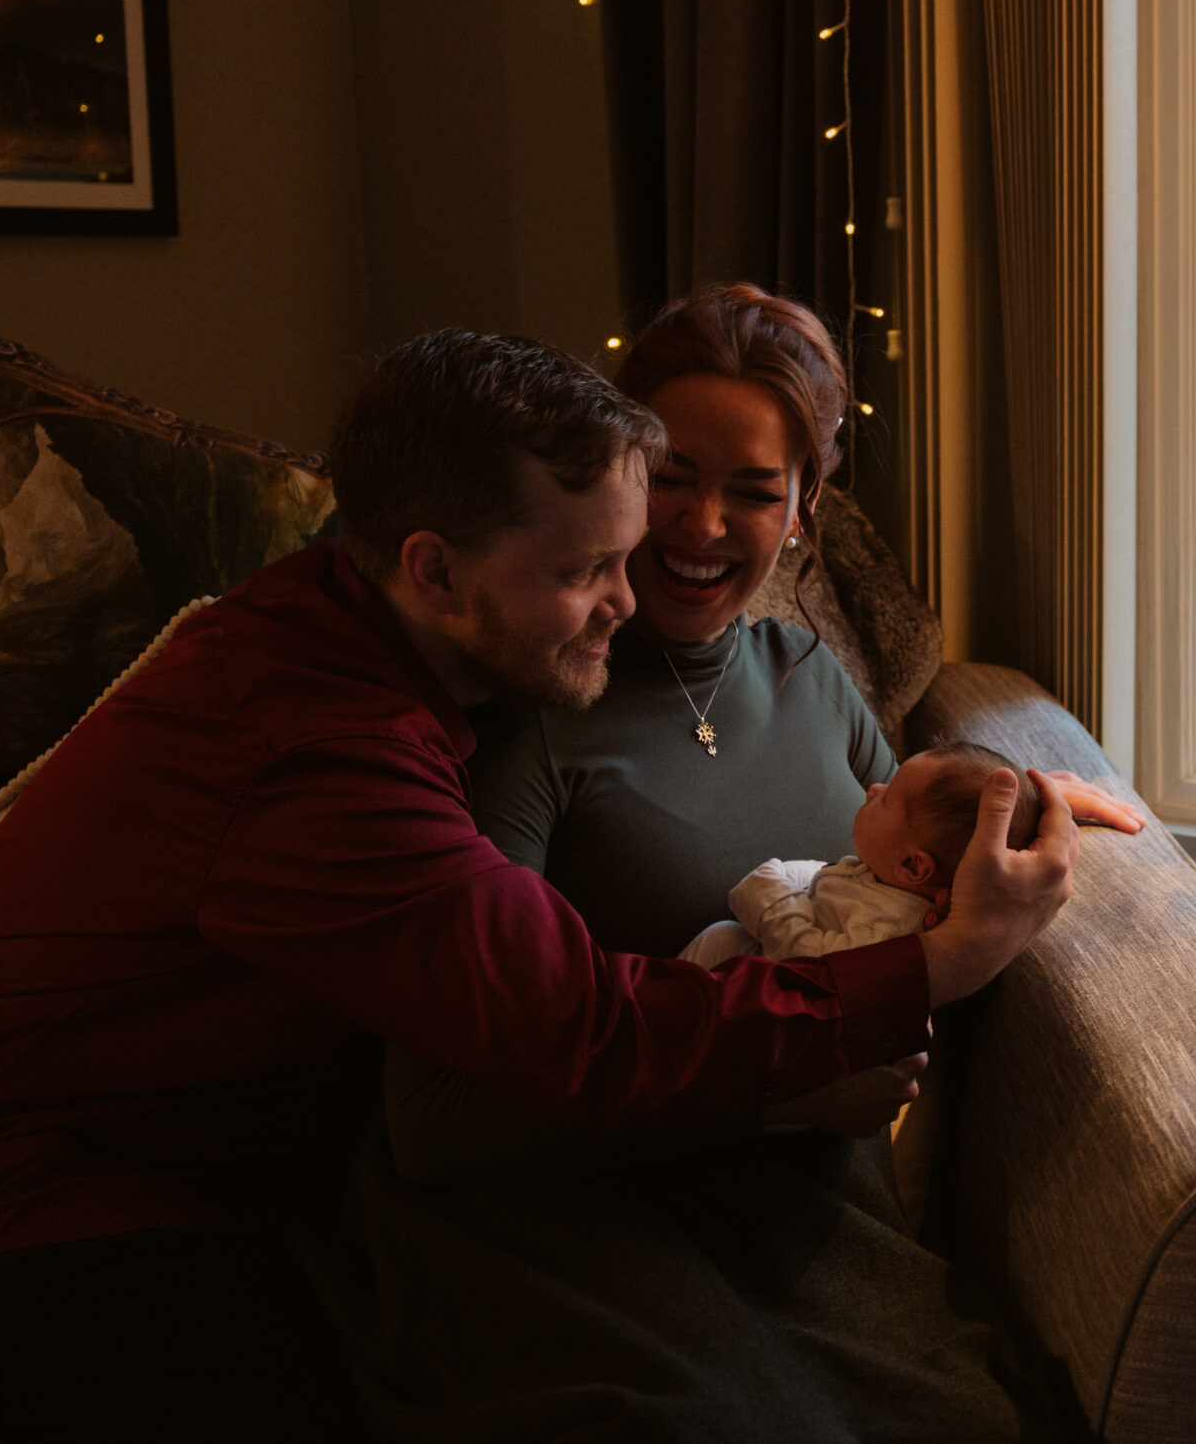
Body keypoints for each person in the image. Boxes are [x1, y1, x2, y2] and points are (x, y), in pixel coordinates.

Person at [0, 329, 1086, 1442]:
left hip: (166, 1173)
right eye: (583, 570)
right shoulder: (320, 758)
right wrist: (933, 965)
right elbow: (586, 1030)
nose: (623, 599)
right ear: (433, 570)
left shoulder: (358, 634)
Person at [326, 286, 1142, 1442]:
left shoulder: (810, 678)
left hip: (814, 1230)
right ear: (616, 474)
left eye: (754, 491)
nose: (702, 524)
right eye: (671, 475)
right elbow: (436, 1122)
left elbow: (906, 872)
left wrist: (1024, 808)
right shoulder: (533, 716)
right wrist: (767, 1100)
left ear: (804, 512)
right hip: (581, 1231)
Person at [681, 740, 1039, 966]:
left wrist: (772, 898)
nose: (873, 789)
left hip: (786, 1015)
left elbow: (809, 963)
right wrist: (787, 878)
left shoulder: (888, 931)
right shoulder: (885, 879)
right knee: (725, 938)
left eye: (887, 799)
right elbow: (827, 879)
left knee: (722, 940)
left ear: (913, 865)